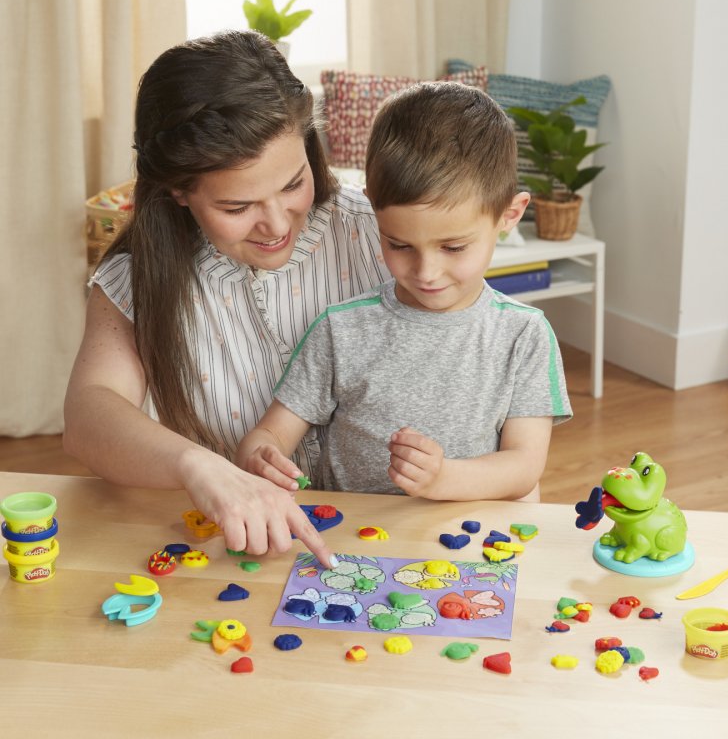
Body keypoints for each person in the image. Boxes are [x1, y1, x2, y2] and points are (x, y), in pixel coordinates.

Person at [63, 30, 391, 566]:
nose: (277, 223)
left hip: (387, 539)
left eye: (292, 184)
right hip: (236, 551)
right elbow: (86, 418)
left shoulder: (374, 235)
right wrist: (202, 468)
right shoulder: (135, 280)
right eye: (238, 207)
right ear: (178, 191)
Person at [237, 81, 572, 502]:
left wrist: (443, 480)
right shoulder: (340, 328)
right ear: (372, 206)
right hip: (351, 542)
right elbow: (273, 431)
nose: (426, 272)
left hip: (465, 543)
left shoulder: (524, 336)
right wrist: (261, 454)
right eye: (399, 245)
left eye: (453, 247)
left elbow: (523, 466)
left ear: (510, 214)